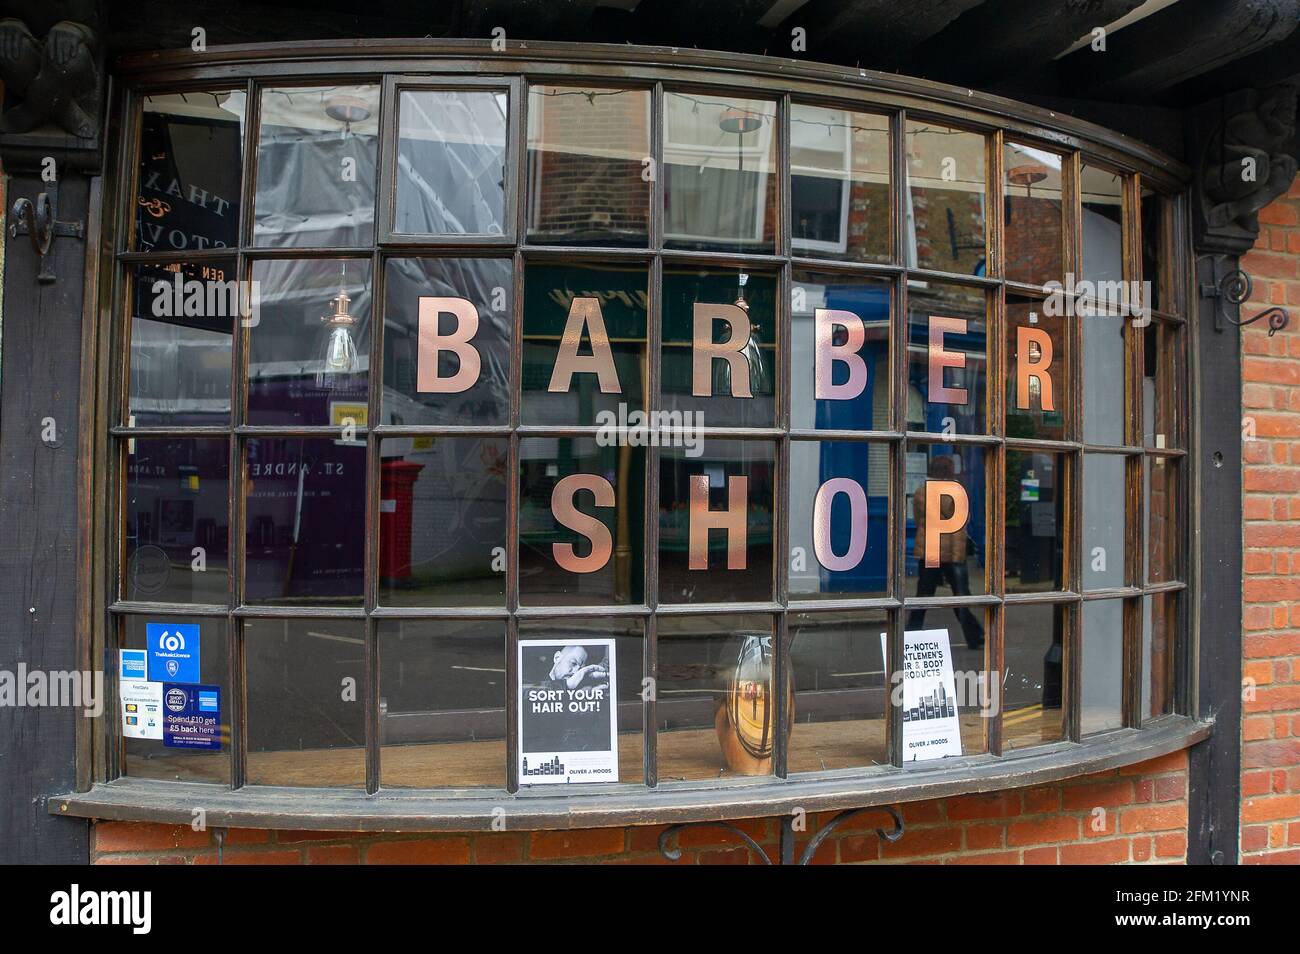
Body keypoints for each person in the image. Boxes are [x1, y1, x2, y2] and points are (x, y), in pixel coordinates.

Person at [907, 455, 985, 649]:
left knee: (923, 595)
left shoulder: (921, 492)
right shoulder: (958, 494)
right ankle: (974, 636)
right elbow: (965, 519)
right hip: (954, 549)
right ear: (950, 471)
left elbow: (919, 521)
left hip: (931, 548)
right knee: (960, 596)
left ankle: (911, 634)